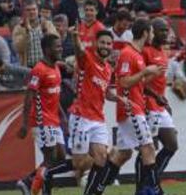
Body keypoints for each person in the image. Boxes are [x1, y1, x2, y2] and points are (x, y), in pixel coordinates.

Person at [93, 18, 164, 195]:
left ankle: (96, 190)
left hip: (134, 107)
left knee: (123, 155)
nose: (153, 35)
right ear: (146, 33)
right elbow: (123, 83)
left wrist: (150, 75)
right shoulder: (128, 53)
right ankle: (156, 191)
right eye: (152, 32)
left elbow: (136, 83)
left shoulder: (137, 54)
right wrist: (145, 71)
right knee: (148, 149)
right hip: (131, 110)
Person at [68, 26, 119, 195]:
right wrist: (75, 37)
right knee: (78, 163)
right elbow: (79, 51)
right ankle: (46, 174)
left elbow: (106, 92)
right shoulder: (88, 59)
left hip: (98, 118)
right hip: (81, 116)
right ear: (97, 43)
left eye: (109, 43)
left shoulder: (108, 69)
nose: (106, 46)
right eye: (103, 42)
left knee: (103, 158)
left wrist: (120, 99)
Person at [16, 34, 69, 195]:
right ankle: (36, 189)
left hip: (53, 120)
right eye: (57, 46)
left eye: (60, 46)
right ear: (47, 49)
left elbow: (54, 96)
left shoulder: (56, 68)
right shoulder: (38, 70)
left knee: (59, 157)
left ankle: (27, 181)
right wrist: (25, 124)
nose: (60, 49)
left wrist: (63, 117)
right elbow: (28, 98)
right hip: (42, 120)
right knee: (50, 158)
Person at [133, 17, 178, 193]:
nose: (165, 33)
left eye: (167, 30)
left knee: (172, 145)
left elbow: (158, 82)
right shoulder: (146, 52)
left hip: (159, 106)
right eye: (161, 30)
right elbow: (139, 81)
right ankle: (143, 188)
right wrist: (156, 97)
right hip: (148, 105)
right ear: (153, 32)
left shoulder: (162, 52)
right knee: (146, 149)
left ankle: (149, 183)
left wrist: (163, 100)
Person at [12, 0, 58, 67]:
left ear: (38, 11)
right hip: (28, 67)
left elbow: (56, 42)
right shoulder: (19, 28)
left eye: (34, 9)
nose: (31, 12)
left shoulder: (47, 24)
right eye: (28, 10)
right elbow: (18, 48)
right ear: (24, 12)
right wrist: (26, 32)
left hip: (46, 65)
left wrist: (45, 31)